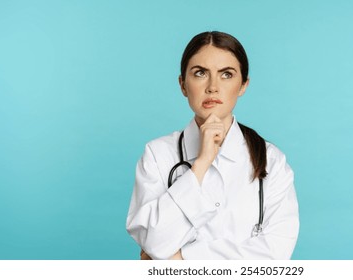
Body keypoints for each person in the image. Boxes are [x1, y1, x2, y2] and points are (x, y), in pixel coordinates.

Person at [126, 31, 299, 260]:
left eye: (226, 74)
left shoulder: (272, 161)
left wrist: (181, 260)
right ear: (183, 85)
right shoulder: (157, 154)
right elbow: (153, 241)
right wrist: (202, 162)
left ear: (243, 85)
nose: (213, 87)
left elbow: (275, 254)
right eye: (200, 73)